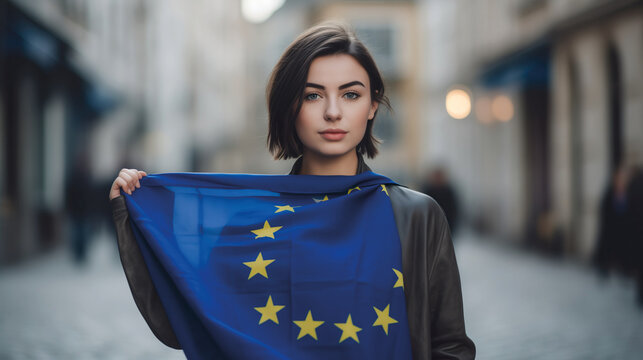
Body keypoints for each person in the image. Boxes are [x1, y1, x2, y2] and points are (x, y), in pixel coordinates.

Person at [109, 22, 475, 359]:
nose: (333, 112)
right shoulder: (248, 222)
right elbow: (188, 323)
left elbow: (450, 345)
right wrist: (130, 217)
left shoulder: (417, 215)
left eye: (350, 95)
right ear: (290, 107)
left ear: (372, 106)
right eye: (313, 96)